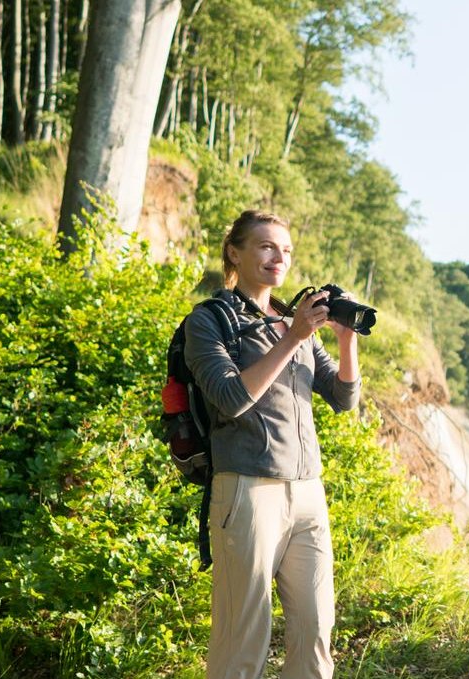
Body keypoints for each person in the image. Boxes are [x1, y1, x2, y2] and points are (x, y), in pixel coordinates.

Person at [184, 209, 360, 679]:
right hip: (246, 489)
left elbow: (343, 397)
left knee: (316, 632)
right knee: (243, 638)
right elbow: (230, 398)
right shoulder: (209, 321)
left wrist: (345, 341)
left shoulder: (290, 318)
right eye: (264, 246)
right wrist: (293, 336)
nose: (276, 257)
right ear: (234, 252)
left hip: (308, 492)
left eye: (284, 250)